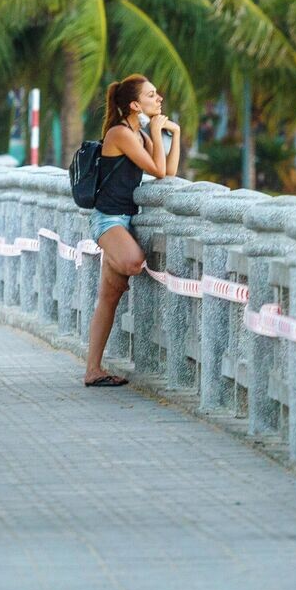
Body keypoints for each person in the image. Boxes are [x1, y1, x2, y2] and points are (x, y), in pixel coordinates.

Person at [84, 74, 180, 387]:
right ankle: (93, 369)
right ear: (135, 104)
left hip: (125, 219)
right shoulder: (121, 133)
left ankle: (92, 370)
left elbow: (169, 173)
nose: (159, 99)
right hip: (108, 220)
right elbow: (156, 169)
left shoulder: (140, 134)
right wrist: (155, 129)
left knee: (109, 297)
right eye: (152, 96)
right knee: (133, 262)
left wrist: (173, 134)